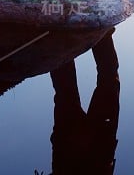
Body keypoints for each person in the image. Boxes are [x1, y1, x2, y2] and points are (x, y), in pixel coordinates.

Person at [49, 29, 120, 174]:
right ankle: (99, 33)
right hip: (91, 152)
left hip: (76, 154)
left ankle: (59, 34)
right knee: (67, 92)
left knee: (66, 92)